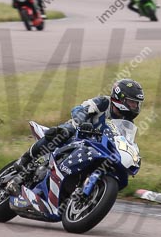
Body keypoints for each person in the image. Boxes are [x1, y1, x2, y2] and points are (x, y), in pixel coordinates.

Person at [8, 79, 145, 191]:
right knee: (63, 132)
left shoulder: (127, 122)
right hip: (78, 134)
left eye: (137, 104)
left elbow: (122, 140)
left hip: (96, 147)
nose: (135, 107)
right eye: (132, 102)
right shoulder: (103, 103)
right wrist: (82, 120)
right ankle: (25, 160)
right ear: (120, 98)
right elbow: (79, 109)